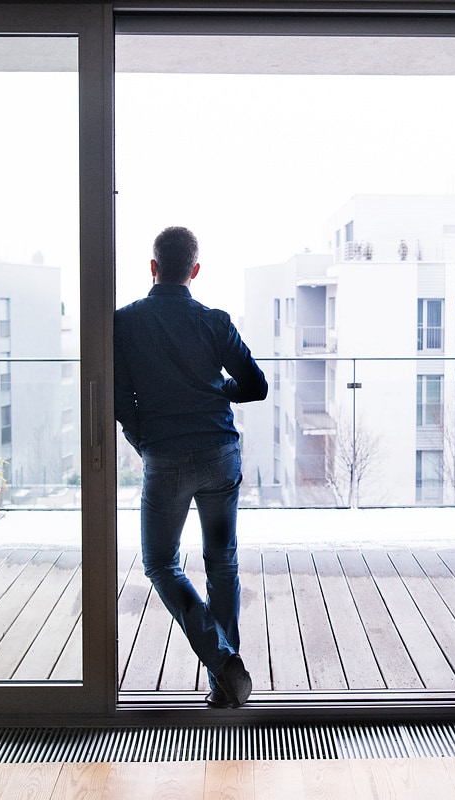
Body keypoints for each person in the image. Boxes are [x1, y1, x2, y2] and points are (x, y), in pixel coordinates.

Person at [115, 226, 268, 708]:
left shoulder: (124, 323)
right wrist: (220, 390)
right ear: (194, 270)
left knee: (161, 564)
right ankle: (223, 681)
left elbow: (120, 400)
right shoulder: (214, 322)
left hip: (167, 457)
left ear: (153, 267)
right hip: (220, 454)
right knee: (222, 564)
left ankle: (222, 661)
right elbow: (256, 386)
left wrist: (145, 442)